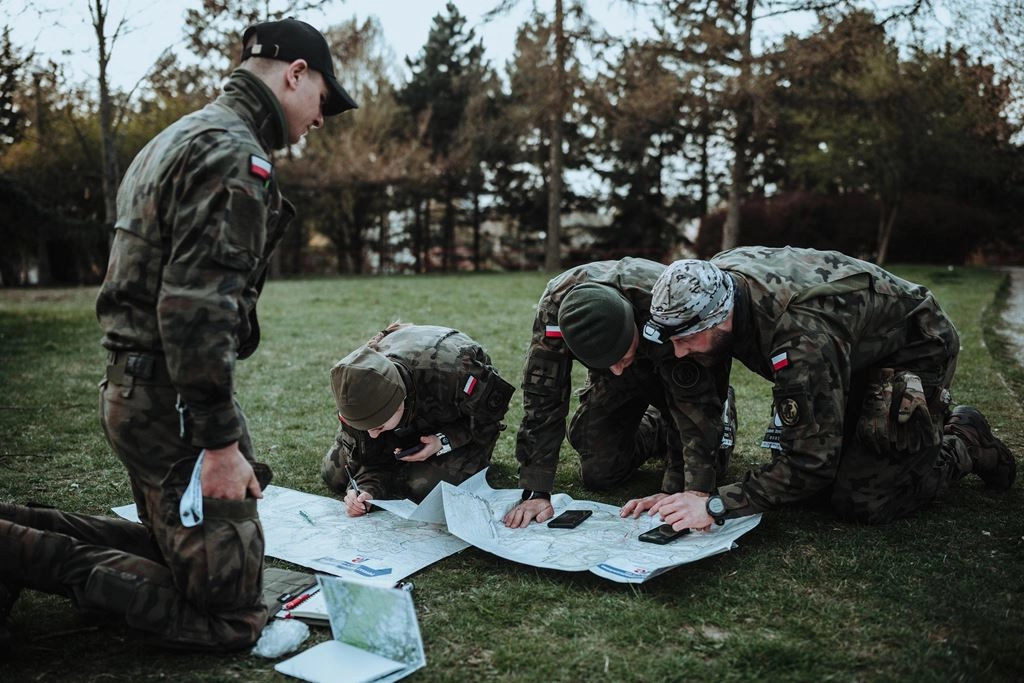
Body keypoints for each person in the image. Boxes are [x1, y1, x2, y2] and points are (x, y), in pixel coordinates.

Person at [0, 18, 356, 652]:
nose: (321, 119)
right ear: (296, 74)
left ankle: (20, 528)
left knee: (182, 555)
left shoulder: (182, 135)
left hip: (137, 388)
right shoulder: (232, 153)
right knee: (232, 613)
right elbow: (197, 307)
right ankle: (13, 547)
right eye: (323, 101)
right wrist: (219, 443)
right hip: (171, 402)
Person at [622, 247, 1017, 531]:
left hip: (914, 346)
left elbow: (812, 461)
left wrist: (715, 505)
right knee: (811, 490)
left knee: (863, 500)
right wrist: (684, 492)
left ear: (721, 319)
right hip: (848, 352)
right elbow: (704, 408)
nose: (680, 351)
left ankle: (964, 441)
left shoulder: (799, 335)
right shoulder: (714, 282)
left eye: (688, 339)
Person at [502, 258, 737, 528]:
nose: (617, 369)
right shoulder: (555, 313)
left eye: (621, 356)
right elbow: (542, 398)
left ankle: (722, 411)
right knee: (599, 471)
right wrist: (537, 490)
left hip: (674, 365)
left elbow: (692, 402)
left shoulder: (665, 307)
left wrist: (674, 489)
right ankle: (660, 426)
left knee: (705, 469)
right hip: (619, 371)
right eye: (609, 362)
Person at [322, 323, 515, 516]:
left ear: (400, 402)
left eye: (379, 426)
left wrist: (443, 441)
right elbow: (370, 458)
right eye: (366, 428)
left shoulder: (455, 371)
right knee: (334, 474)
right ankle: (400, 457)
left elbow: (489, 420)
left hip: (458, 420)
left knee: (422, 486)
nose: (372, 434)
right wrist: (365, 492)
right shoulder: (355, 385)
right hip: (405, 421)